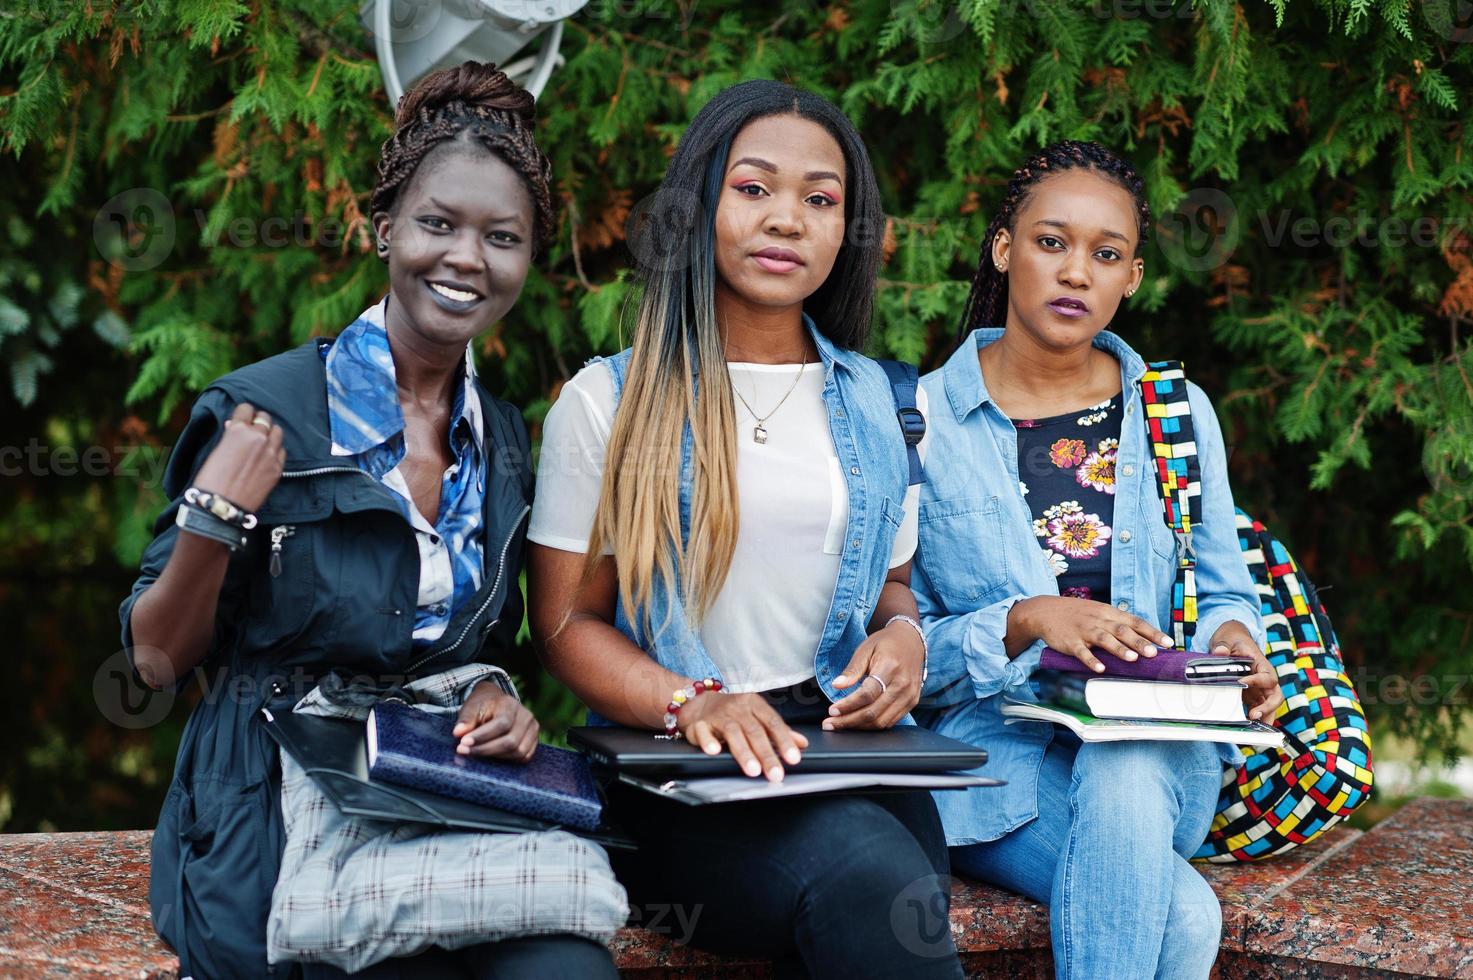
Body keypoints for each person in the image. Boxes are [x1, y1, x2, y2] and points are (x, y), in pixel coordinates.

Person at [120, 62, 625, 980]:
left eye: (501, 237)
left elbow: (475, 651)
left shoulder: (503, 437)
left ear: (527, 257)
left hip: (435, 793)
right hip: (279, 808)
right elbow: (155, 660)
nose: (466, 258)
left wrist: (497, 702)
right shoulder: (266, 411)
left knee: (570, 968)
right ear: (384, 227)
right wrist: (214, 516)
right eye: (438, 224)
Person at [527, 79, 964, 978]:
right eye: (753, 188)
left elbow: (889, 584)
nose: (786, 220)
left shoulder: (885, 402)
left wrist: (904, 637)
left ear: (846, 231)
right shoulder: (608, 402)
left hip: (847, 752)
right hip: (679, 767)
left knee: (894, 880)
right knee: (871, 881)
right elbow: (567, 626)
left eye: (819, 199)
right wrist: (694, 702)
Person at [908, 139, 1284, 979]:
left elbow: (1226, 591)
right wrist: (1020, 622)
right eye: (1051, 243)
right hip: (999, 769)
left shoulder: (1174, 413)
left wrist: (1236, 646)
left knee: (1125, 752)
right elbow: (901, 652)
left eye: (1104, 254)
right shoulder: (918, 421)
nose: (1076, 272)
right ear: (1004, 249)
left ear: (1132, 278)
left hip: (1163, 755)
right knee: (1183, 921)